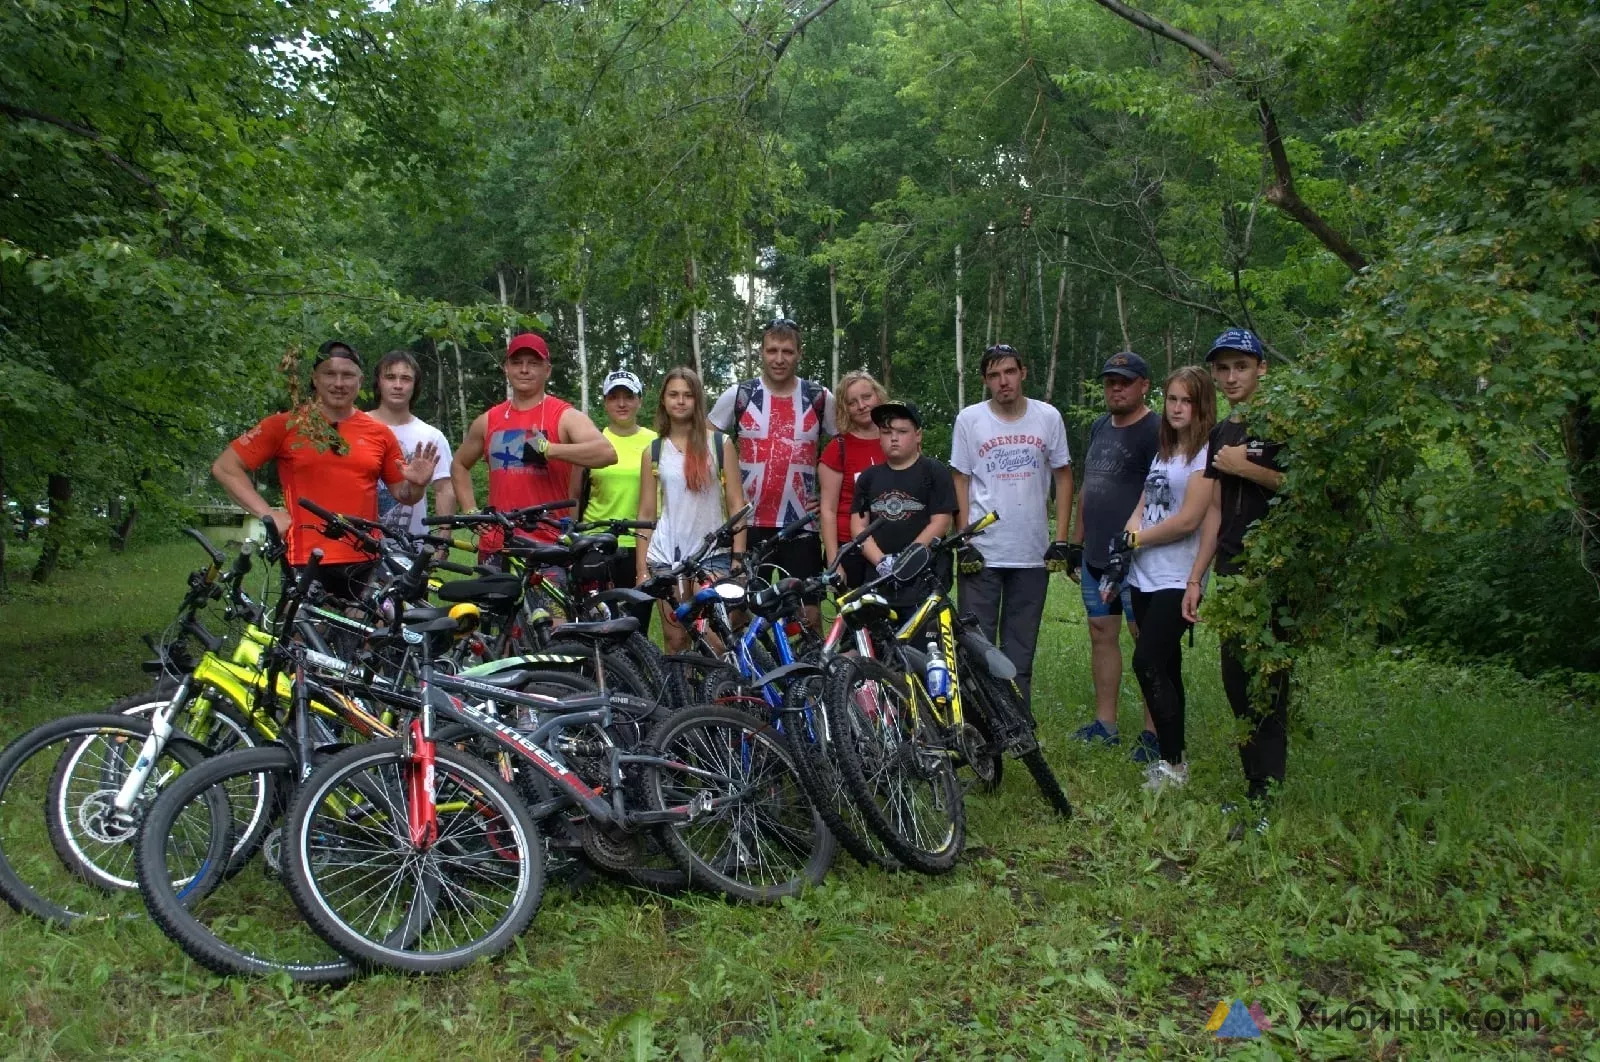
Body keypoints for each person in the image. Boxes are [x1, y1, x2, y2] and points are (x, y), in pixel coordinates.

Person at [211, 340, 439, 600]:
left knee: (365, 637)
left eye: (347, 375)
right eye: (330, 373)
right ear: (315, 378)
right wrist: (268, 514)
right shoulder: (286, 425)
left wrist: (418, 484)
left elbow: (404, 495)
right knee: (303, 636)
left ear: (361, 380)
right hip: (305, 558)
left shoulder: (379, 433)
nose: (339, 383)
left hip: (365, 557)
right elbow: (226, 467)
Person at [1101, 366, 1220, 792]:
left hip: (1178, 575)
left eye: (1187, 401)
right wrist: (1129, 535)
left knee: (1146, 662)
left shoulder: (1206, 454)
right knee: (1167, 668)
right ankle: (1175, 762)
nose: (1177, 408)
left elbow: (1188, 521)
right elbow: (1144, 502)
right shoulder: (1165, 451)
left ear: (1203, 404)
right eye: (1172, 399)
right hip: (1146, 575)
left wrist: (1138, 537)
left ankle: (1171, 763)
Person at [1196, 328, 1288, 837]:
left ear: (1261, 370)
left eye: (1241, 367)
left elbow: (1305, 487)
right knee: (1236, 680)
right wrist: (1197, 576)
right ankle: (1254, 786)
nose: (1232, 377)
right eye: (1224, 368)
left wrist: (1249, 468)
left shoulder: (1281, 423)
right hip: (1230, 568)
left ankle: (1267, 797)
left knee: (1266, 685)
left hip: (1270, 570)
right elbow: (1214, 512)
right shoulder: (1221, 432)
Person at [950, 344, 1074, 714]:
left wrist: (1062, 539)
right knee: (976, 645)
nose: (1003, 382)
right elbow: (960, 480)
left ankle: (1019, 724)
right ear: (986, 381)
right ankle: (982, 728)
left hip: (1031, 552)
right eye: (993, 375)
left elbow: (1064, 477)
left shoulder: (1047, 417)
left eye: (1009, 372)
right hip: (984, 551)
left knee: (1021, 649)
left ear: (1023, 372)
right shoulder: (970, 420)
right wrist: (963, 538)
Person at [1064, 351, 1161, 756]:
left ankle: (1155, 732)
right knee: (1101, 633)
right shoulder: (1100, 425)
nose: (1116, 388)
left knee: (1147, 641)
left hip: (1138, 557)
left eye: (1125, 381)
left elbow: (1161, 490)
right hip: (1096, 554)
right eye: (1110, 382)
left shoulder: (1157, 429)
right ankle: (1106, 724)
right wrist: (1075, 542)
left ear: (1144, 386)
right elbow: (1089, 485)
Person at [709, 319, 836, 628]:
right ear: (761, 353)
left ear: (799, 354)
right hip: (749, 524)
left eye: (788, 352)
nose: (779, 359)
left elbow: (842, 450)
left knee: (809, 616)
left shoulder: (819, 398)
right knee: (739, 612)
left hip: (800, 525)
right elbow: (705, 446)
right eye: (772, 350)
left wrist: (829, 497)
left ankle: (806, 675)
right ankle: (747, 674)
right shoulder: (740, 395)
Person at [450, 332, 617, 556]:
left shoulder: (564, 416)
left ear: (547, 370)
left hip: (547, 546)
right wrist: (471, 511)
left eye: (533, 363)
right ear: (506, 368)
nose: (524, 370)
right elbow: (459, 464)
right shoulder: (488, 420)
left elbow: (606, 453)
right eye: (517, 363)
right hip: (497, 545)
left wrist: (551, 449)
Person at [636, 367, 747, 652]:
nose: (681, 401)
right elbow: (646, 513)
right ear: (663, 400)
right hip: (666, 554)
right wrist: (641, 570)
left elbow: (737, 504)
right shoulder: (654, 451)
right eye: (673, 394)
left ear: (698, 401)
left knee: (714, 635)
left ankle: (720, 692)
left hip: (711, 554)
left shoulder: (720, 445)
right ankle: (684, 695)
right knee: (676, 638)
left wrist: (738, 559)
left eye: (688, 395)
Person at [851, 401, 955, 613]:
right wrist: (881, 562)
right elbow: (858, 526)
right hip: (879, 581)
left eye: (902, 431)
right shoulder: (868, 478)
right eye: (887, 432)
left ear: (918, 435)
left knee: (924, 644)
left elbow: (942, 521)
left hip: (925, 580)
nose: (894, 438)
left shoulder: (933, 471)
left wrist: (907, 561)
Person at [574, 369, 657, 630]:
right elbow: (575, 494)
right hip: (597, 541)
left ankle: (637, 670)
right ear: (605, 402)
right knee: (598, 622)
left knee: (637, 621)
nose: (622, 404)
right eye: (614, 397)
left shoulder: (655, 441)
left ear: (639, 401)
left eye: (628, 396)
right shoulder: (593, 442)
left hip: (642, 543)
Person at [367, 349, 456, 538]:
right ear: (378, 382)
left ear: (415, 385)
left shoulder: (431, 436)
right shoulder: (357, 428)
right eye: (390, 377)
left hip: (412, 546)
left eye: (406, 379)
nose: (398, 385)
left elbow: (444, 489)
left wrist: (443, 539)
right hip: (361, 544)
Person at [818, 370, 887, 586]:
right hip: (850, 548)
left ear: (878, 396)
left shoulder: (897, 438)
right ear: (844, 409)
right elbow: (828, 510)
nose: (862, 405)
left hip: (891, 544)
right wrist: (833, 561)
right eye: (852, 402)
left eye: (867, 397)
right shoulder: (838, 448)